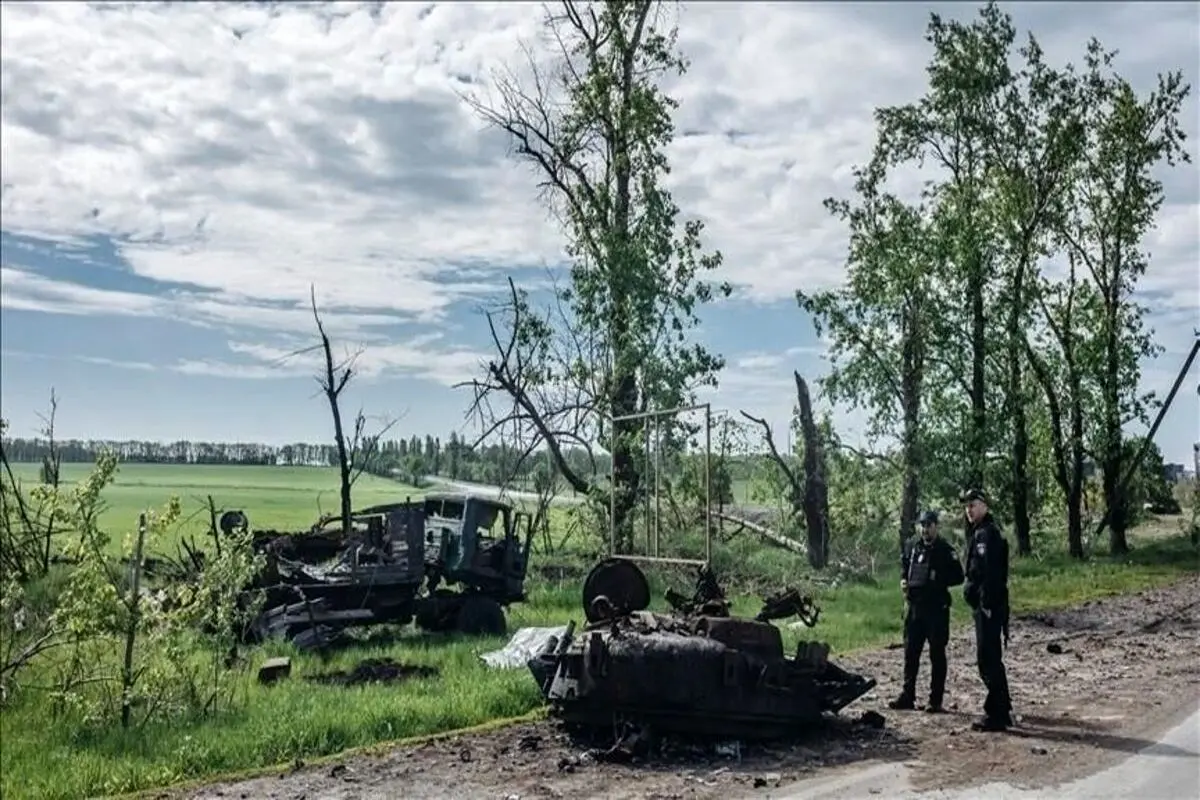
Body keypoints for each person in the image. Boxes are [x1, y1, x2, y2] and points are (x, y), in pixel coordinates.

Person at [888, 509, 964, 713]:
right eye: (922, 525)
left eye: (929, 525)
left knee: (937, 653)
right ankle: (907, 695)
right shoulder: (912, 546)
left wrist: (937, 578)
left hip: (936, 608)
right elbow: (904, 565)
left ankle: (935, 699)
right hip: (914, 607)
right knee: (910, 652)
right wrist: (904, 580)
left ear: (936, 526)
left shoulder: (945, 550)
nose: (925, 529)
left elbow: (959, 576)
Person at [962, 488, 1013, 731]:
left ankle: (998, 713)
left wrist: (988, 605)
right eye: (967, 506)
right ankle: (1001, 707)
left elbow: (992, 575)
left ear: (985, 506)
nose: (969, 510)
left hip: (989, 607)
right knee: (989, 658)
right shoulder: (979, 533)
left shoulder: (987, 535)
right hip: (984, 606)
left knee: (988, 659)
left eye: (973, 505)